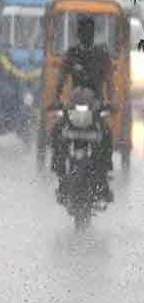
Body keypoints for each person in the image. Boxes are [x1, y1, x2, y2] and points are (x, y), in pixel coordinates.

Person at [51, 15, 114, 182]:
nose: (86, 35)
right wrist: (56, 100)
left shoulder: (102, 55)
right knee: (57, 130)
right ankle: (58, 167)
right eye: (82, 32)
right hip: (74, 104)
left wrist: (111, 102)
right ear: (78, 34)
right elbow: (61, 79)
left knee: (106, 135)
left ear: (93, 33)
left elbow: (110, 81)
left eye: (89, 32)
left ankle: (104, 172)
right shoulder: (71, 54)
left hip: (96, 106)